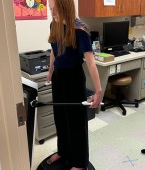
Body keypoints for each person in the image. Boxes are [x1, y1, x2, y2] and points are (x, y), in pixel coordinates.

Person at [46, 0, 102, 169]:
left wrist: (98, 90)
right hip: (59, 77)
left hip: (74, 78)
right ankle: (63, 150)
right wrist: (50, 72)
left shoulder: (80, 29)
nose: (52, 13)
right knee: (60, 117)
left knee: (76, 122)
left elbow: (91, 62)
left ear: (66, 7)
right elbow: (54, 52)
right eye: (50, 9)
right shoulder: (53, 25)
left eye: (55, 9)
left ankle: (79, 162)